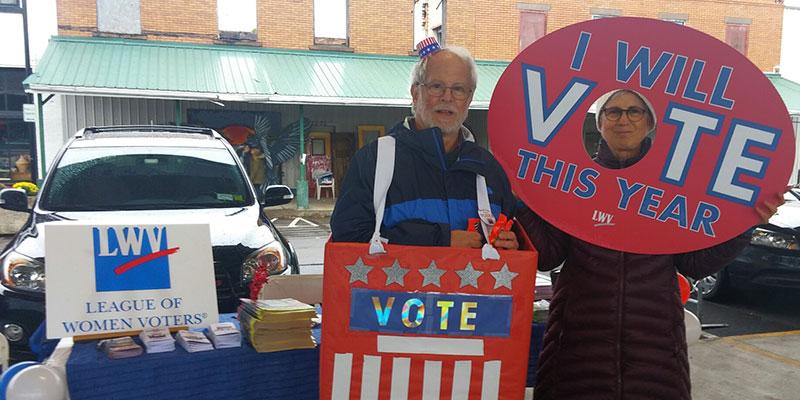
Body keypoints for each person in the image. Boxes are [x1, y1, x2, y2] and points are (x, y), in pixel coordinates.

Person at [518, 89, 782, 400]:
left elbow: (695, 264)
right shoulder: (575, 179)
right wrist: (521, 196)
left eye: (635, 111)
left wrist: (744, 224)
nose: (623, 120)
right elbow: (548, 256)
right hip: (576, 353)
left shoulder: (672, 185)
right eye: (613, 112)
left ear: (650, 123)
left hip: (655, 356)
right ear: (600, 122)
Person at [330, 39, 518, 250]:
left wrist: (510, 245)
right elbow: (348, 238)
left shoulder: (489, 170)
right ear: (415, 93)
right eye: (436, 86)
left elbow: (511, 237)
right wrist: (438, 240)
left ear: (469, 98)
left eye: (458, 89)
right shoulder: (374, 161)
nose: (447, 97)